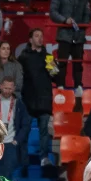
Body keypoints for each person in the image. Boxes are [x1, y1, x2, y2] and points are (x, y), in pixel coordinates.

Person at [16, 29, 56, 165]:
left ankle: (44, 158)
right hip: (28, 100)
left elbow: (55, 76)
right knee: (25, 129)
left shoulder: (48, 57)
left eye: (41, 36)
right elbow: (19, 78)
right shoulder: (23, 57)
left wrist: (54, 68)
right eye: (37, 36)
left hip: (44, 100)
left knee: (44, 130)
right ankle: (23, 158)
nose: (40, 39)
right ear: (30, 39)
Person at [48, 0, 88, 89]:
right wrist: (64, 20)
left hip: (79, 35)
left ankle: (78, 86)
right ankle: (60, 85)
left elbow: (87, 13)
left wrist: (83, 26)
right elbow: (53, 12)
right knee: (62, 61)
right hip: (64, 34)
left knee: (78, 63)